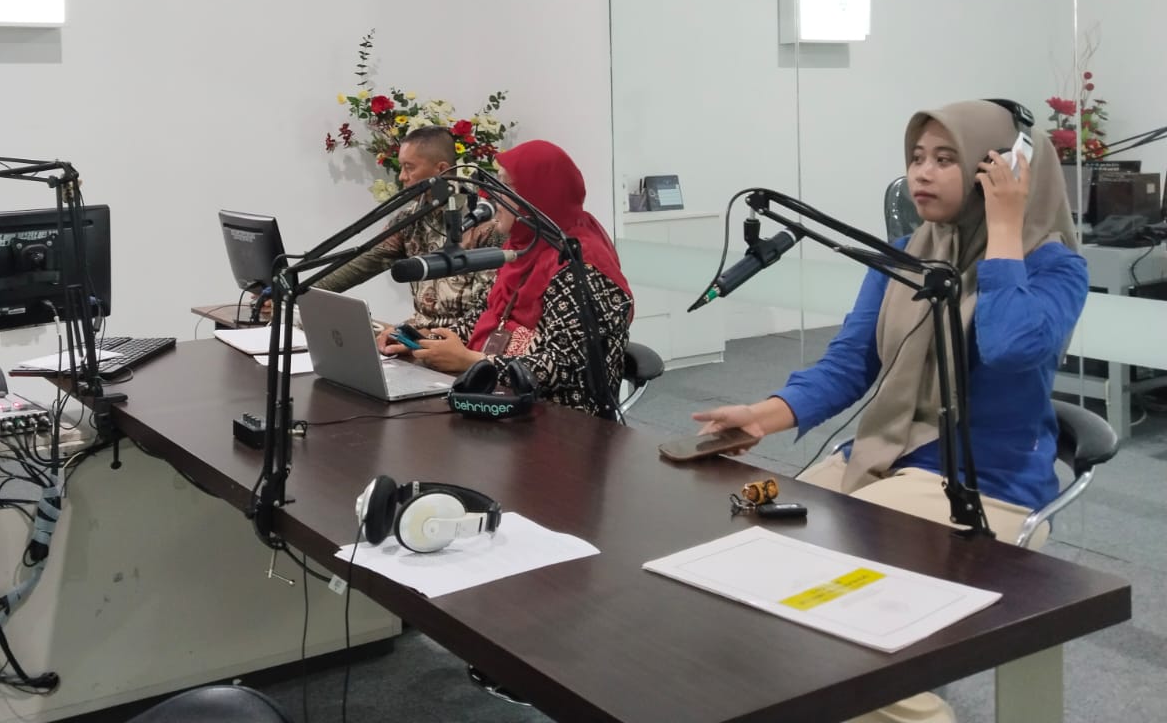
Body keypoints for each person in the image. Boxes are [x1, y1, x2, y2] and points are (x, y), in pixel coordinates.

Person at [692, 101, 1086, 723]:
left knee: (832, 598)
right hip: (885, 453)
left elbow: (1011, 347)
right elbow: (851, 361)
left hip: (986, 479)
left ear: (1005, 171)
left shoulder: (1054, 266)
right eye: (917, 157)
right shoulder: (906, 255)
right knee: (749, 547)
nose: (921, 173)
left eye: (946, 159)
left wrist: (1006, 232)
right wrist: (764, 415)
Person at [386, 139, 633, 416]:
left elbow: (570, 366)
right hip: (499, 401)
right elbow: (484, 317)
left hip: (560, 420)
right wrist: (423, 341)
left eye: (506, 187)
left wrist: (471, 361)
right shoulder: (522, 249)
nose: (494, 198)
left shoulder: (581, 264)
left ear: (538, 195)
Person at [311, 126, 502, 331]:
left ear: (441, 169)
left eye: (409, 167)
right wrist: (303, 295)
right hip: (419, 335)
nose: (402, 176)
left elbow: (490, 309)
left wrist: (425, 339)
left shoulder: (484, 222)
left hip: (463, 342)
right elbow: (363, 264)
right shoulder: (409, 218)